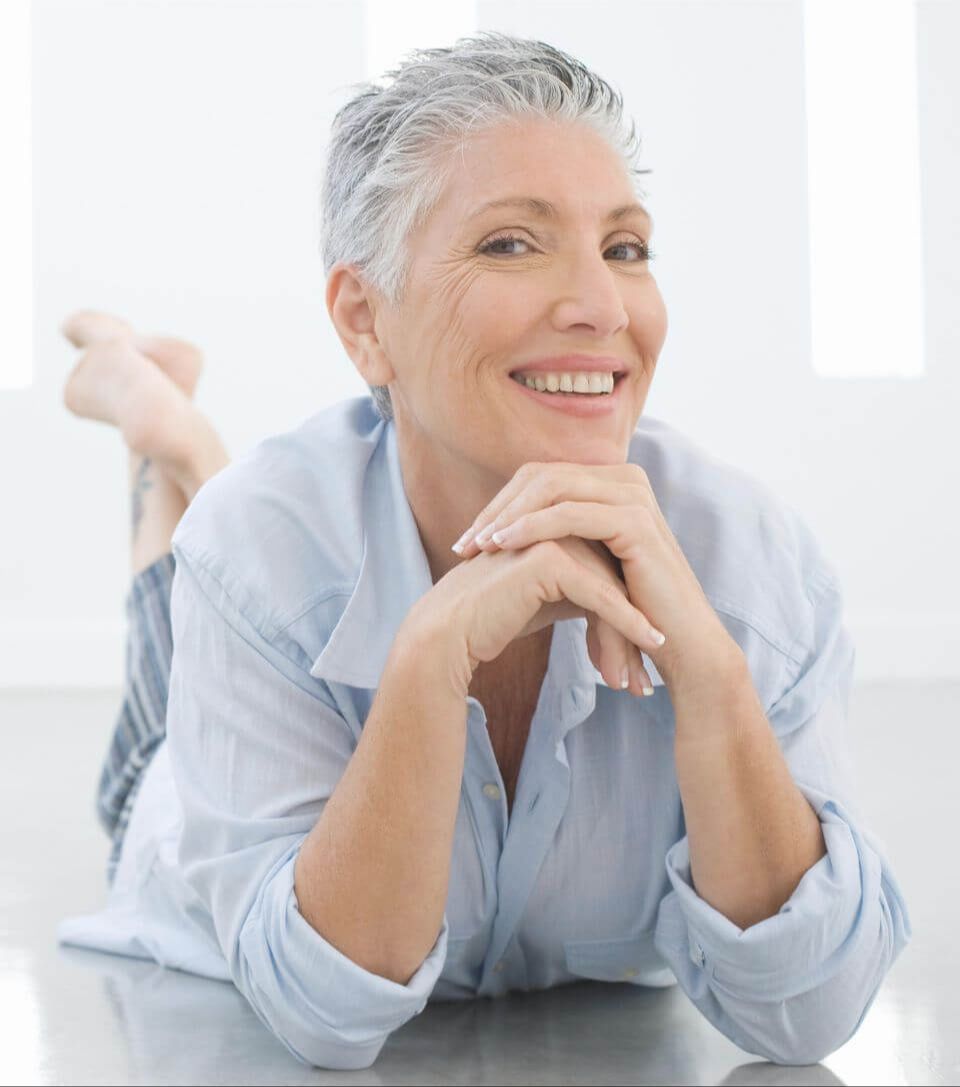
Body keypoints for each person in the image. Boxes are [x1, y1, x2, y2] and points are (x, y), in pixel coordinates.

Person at [56, 31, 911, 1072]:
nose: (602, 306)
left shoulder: (754, 569)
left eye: (625, 248)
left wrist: (713, 674)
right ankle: (167, 437)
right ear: (365, 323)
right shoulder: (255, 553)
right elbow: (325, 1013)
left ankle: (179, 433)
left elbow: (808, 1014)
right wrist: (428, 661)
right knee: (146, 726)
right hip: (181, 790)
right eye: (511, 244)